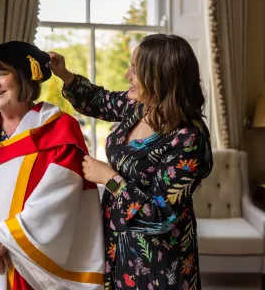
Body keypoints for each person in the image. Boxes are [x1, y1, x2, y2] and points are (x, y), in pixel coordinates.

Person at [0, 41, 105, 290]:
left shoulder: (58, 131)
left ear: (25, 77)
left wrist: (4, 240)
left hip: (32, 268)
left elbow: (58, 200)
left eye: (1, 74)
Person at [48, 34, 213, 290]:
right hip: (116, 246)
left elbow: (160, 217)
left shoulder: (189, 138)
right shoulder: (137, 106)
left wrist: (109, 179)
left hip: (159, 262)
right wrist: (65, 74)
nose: (127, 74)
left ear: (161, 76)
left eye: (135, 69)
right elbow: (98, 101)